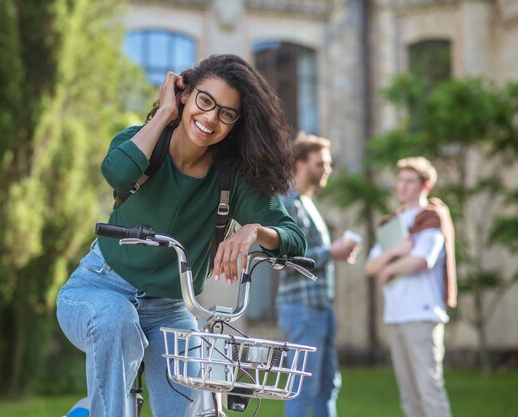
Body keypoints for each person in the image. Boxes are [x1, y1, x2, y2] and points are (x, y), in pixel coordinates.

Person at [55, 54, 307, 417]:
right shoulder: (143, 143)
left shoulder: (230, 177)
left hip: (169, 309)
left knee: (187, 402)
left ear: (237, 123)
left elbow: (292, 237)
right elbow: (117, 174)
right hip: (99, 288)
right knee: (116, 319)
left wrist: (253, 231)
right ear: (185, 95)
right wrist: (163, 113)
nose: (210, 118)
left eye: (226, 113)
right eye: (205, 101)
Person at [365, 156, 456, 417]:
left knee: (429, 390)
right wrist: (395, 252)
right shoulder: (393, 222)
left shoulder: (430, 218)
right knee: (408, 395)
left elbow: (421, 260)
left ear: (425, 186)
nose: (403, 186)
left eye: (410, 181)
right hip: (396, 314)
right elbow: (370, 267)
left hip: (422, 314)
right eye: (400, 180)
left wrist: (390, 267)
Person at [276, 132, 359, 417]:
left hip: (320, 308)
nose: (327, 170)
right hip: (302, 310)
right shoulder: (289, 204)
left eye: (328, 164)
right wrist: (330, 253)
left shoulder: (308, 204)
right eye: (320, 163)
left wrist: (335, 253)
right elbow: (284, 259)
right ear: (299, 163)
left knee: (327, 386)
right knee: (302, 387)